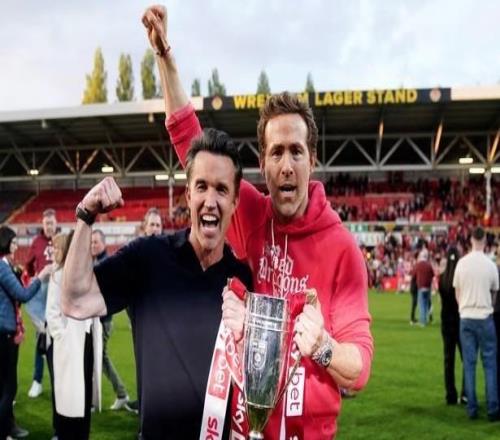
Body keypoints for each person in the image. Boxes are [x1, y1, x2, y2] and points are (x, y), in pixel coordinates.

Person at [143, 5, 373, 438]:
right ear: (263, 163)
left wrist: (323, 346)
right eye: (276, 152)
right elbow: (188, 140)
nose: (286, 165)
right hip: (241, 428)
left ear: (312, 160)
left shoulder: (342, 248)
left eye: (296, 151)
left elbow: (359, 367)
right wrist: (165, 58)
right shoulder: (249, 211)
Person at [61, 128, 253, 439]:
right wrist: (85, 215)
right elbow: (75, 300)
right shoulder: (148, 257)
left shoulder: (245, 282)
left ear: (235, 201)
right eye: (201, 186)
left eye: (221, 189)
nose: (210, 201)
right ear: (188, 195)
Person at [46, 231, 102, 440]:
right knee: (68, 396)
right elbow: (52, 312)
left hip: (87, 340)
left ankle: (82, 434)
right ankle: (64, 433)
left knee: (84, 392)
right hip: (69, 344)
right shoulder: (59, 274)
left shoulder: (89, 273)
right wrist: (62, 337)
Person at [0, 225, 51, 440]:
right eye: (13, 242)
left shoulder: (6, 266)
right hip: (4, 333)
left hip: (5, 330)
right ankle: (3, 431)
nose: (15, 246)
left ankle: (8, 426)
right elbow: (22, 294)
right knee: (9, 387)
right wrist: (41, 277)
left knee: (4, 385)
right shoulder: (2, 267)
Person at [453, 227, 499, 421]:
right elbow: (494, 292)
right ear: (485, 241)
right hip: (485, 316)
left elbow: (457, 292)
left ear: (471, 240)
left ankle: (471, 408)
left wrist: (463, 307)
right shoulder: (490, 265)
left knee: (469, 365)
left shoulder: (462, 264)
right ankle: (492, 408)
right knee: (489, 364)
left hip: (466, 317)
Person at [90, 229, 130, 411]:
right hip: (96, 319)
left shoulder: (106, 263)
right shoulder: (95, 261)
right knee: (98, 358)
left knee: (98, 358)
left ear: (104, 243)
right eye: (91, 242)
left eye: (96, 242)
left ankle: (114, 395)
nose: (93, 245)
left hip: (103, 320)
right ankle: (120, 394)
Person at [25, 208, 57, 398]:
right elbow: (28, 266)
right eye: (46, 223)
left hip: (59, 296)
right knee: (41, 339)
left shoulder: (62, 240)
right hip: (42, 298)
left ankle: (58, 381)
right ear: (42, 225)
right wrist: (35, 279)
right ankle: (37, 381)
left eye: (52, 223)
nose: (49, 226)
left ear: (56, 223)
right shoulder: (36, 242)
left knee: (58, 340)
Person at [438, 247, 464, 405]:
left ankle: (450, 394)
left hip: (446, 322)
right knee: (465, 359)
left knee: (449, 359)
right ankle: (465, 393)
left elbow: (441, 301)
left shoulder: (442, 278)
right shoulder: (461, 278)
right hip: (460, 320)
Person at [413, 249, 434, 326]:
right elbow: (432, 274)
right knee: (426, 304)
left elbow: (413, 274)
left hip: (421, 287)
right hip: (428, 287)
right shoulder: (429, 265)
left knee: (421, 305)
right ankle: (426, 319)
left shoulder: (418, 265)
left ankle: (423, 321)